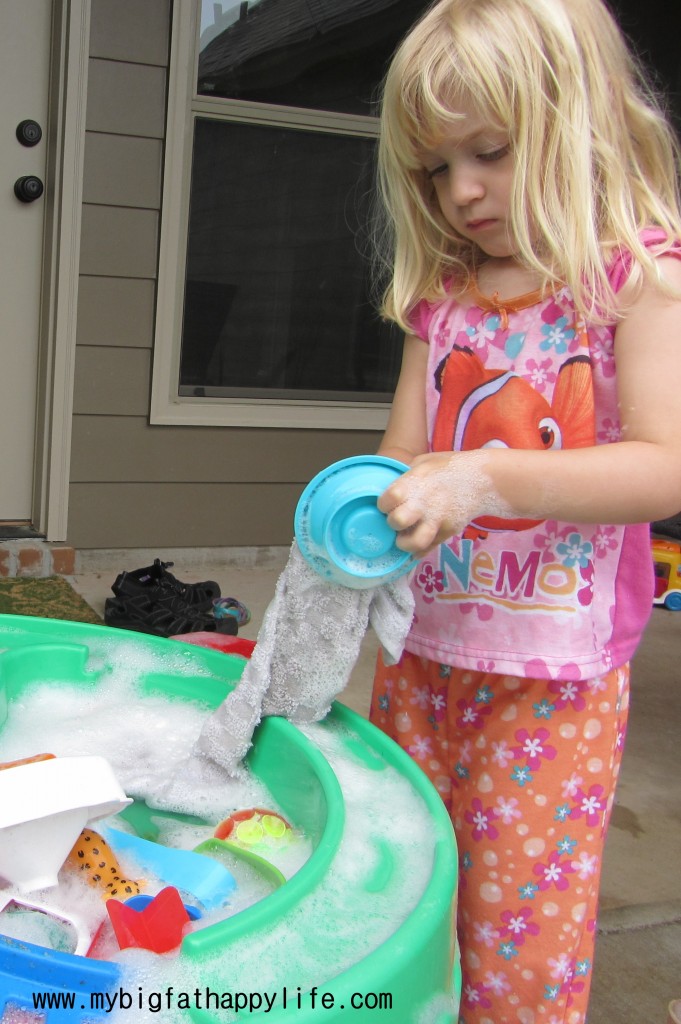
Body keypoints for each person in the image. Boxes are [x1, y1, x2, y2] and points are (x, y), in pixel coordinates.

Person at [367, 1, 681, 1021]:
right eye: (434, 169)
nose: (460, 191)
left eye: (489, 151)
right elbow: (403, 458)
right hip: (421, 656)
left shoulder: (632, 280)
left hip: (551, 685)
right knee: (403, 900)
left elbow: (665, 466)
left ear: (575, 115)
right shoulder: (444, 294)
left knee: (516, 950)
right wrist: (358, 512)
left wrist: (487, 478)